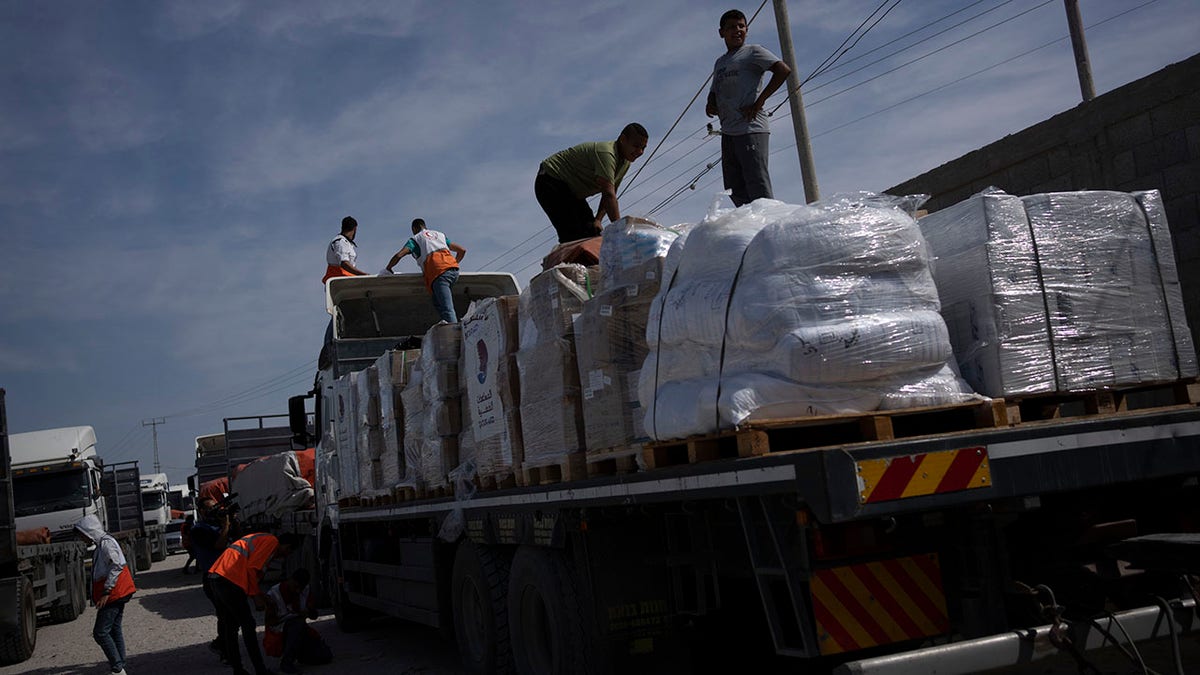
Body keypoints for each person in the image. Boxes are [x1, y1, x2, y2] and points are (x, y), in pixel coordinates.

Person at [705, 9, 791, 206]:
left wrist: (759, 102)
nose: (737, 30)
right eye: (731, 27)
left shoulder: (753, 51)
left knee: (757, 184)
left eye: (741, 26)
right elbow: (714, 90)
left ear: (746, 29)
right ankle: (748, 229)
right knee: (735, 187)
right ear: (721, 33)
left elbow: (782, 70)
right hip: (728, 131)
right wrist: (710, 103)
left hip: (751, 127)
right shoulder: (721, 62)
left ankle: (765, 227)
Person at [535, 123, 649, 243]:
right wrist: (620, 231)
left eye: (643, 148)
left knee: (592, 232)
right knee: (573, 234)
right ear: (623, 139)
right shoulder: (607, 154)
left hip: (572, 192)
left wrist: (598, 220)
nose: (640, 151)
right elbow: (609, 195)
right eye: (636, 146)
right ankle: (567, 259)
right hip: (551, 180)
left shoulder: (625, 162)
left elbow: (611, 193)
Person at [208, 531, 300, 675]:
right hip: (230, 579)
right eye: (288, 551)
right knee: (248, 626)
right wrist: (256, 596)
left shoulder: (261, 539)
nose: (285, 555)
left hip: (217, 577)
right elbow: (251, 569)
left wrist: (260, 595)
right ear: (286, 546)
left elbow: (250, 573)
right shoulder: (272, 542)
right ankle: (260, 670)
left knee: (231, 627)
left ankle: (238, 670)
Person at [75, 514, 137, 675]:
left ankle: (117, 668)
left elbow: (116, 566)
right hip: (117, 592)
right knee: (114, 629)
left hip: (114, 593)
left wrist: (106, 592)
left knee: (100, 632)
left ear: (90, 532)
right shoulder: (102, 543)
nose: (83, 539)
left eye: (83, 535)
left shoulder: (106, 544)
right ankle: (120, 666)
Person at [382, 219, 466, 324]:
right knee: (437, 302)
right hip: (453, 271)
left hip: (439, 273)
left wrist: (388, 268)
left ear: (414, 229)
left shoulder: (415, 239)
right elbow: (462, 250)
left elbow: (399, 255)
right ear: (424, 226)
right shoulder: (439, 235)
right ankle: (447, 327)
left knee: (447, 308)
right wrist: (453, 264)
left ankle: (454, 335)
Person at [192, 497, 235, 664]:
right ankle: (224, 649)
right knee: (224, 615)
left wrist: (232, 521)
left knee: (229, 615)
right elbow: (219, 545)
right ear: (202, 511)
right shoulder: (199, 530)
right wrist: (225, 526)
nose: (214, 511)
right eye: (210, 508)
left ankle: (224, 645)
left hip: (227, 574)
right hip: (213, 578)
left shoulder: (216, 525)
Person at [263, 569, 332, 674]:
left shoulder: (305, 591)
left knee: (325, 656)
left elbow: (314, 615)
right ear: (290, 580)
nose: (298, 591)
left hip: (300, 630)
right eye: (295, 587)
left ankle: (300, 653)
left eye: (301, 588)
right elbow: (270, 623)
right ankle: (287, 662)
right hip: (280, 633)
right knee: (296, 624)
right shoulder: (274, 593)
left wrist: (309, 611)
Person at [322, 216, 368, 283]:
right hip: (340, 283)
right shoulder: (340, 242)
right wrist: (363, 275)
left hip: (346, 281)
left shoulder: (345, 243)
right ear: (355, 229)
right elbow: (344, 263)